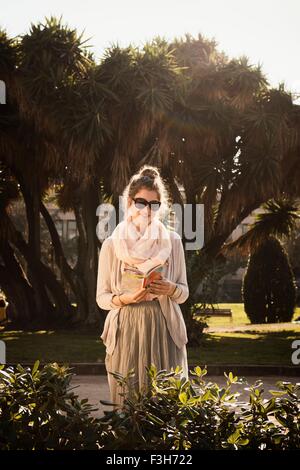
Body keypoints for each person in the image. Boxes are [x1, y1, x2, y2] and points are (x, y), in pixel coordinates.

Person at [96, 165, 189, 408]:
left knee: (163, 404)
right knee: (128, 403)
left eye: (154, 204)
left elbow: (184, 293)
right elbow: (102, 298)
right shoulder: (111, 245)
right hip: (126, 327)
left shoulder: (173, 242)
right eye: (141, 202)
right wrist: (126, 299)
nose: (147, 210)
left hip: (163, 327)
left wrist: (170, 289)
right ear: (129, 201)